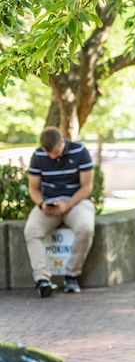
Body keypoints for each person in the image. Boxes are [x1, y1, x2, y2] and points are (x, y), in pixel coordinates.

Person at [24, 126, 95, 298]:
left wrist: (68, 204)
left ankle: (72, 275)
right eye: (48, 153)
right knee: (31, 231)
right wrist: (42, 204)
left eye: (54, 152)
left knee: (85, 228)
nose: (51, 156)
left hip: (75, 202)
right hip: (48, 204)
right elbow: (33, 188)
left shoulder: (80, 152)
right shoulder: (38, 155)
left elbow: (87, 187)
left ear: (62, 141)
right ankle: (42, 280)